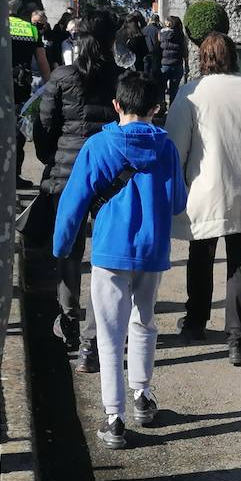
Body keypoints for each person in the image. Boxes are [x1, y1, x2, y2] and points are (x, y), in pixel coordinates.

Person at [53, 70, 186, 450]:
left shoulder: (98, 145)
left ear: (116, 105)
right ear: (157, 108)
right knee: (144, 322)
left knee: (110, 337)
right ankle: (143, 396)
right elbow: (178, 202)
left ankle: (115, 418)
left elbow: (73, 201)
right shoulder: (167, 148)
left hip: (110, 251)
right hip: (152, 251)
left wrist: (61, 247)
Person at [166, 32, 241, 366]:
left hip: (206, 190)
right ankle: (239, 341)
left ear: (202, 58)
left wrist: (178, 186)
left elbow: (176, 147)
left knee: (201, 256)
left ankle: (195, 323)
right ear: (235, 57)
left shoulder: (190, 93)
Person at [34, 11, 122, 373]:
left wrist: (51, 159)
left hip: (67, 173)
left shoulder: (62, 77)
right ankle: (93, 334)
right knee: (104, 254)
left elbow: (44, 126)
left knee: (68, 249)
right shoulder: (119, 79)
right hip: (110, 175)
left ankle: (68, 316)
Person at [9, 0, 52, 184]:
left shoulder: (0, 24)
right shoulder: (31, 30)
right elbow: (42, 62)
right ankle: (14, 174)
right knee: (16, 133)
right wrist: (51, 86)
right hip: (20, 86)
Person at [158, 15, 188, 104]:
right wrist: (186, 65)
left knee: (161, 89)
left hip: (164, 64)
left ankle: (161, 108)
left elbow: (158, 49)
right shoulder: (181, 36)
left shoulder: (161, 34)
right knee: (174, 90)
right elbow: (185, 51)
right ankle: (173, 110)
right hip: (177, 65)